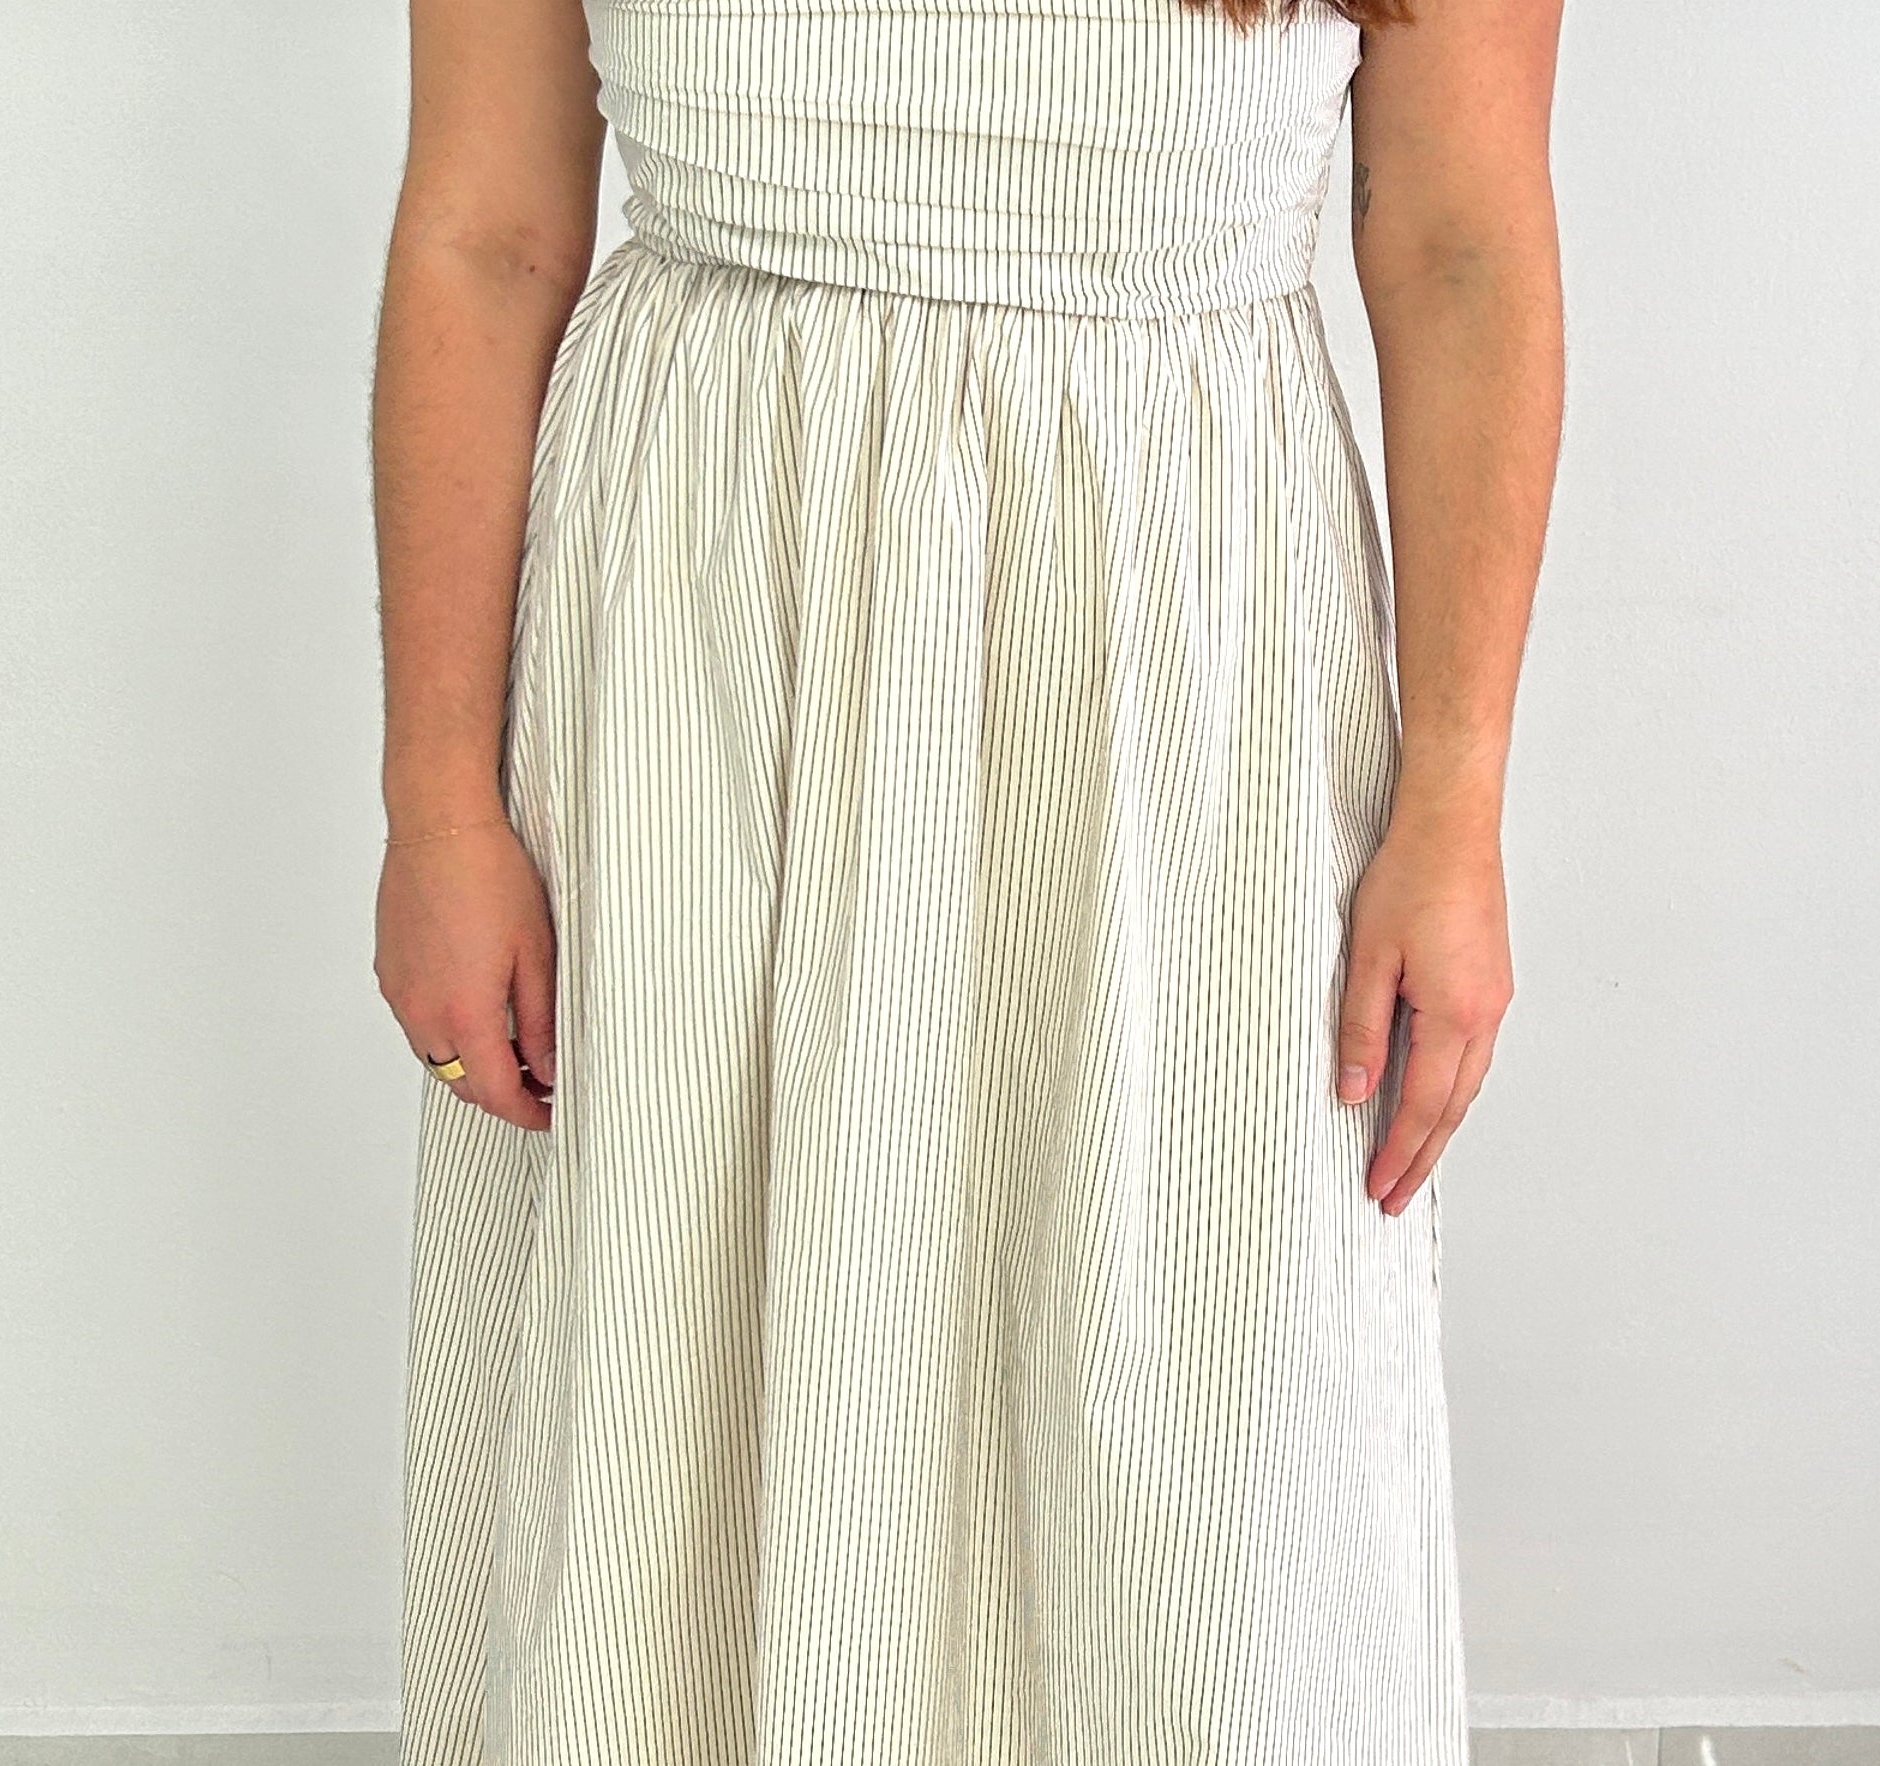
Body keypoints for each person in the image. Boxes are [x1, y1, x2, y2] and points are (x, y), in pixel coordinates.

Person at [367, 0, 1562, 1757]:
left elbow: (1463, 246)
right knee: (682, 1416)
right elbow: (487, 230)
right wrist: (437, 804)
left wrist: (1456, 806)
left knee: (1207, 1469)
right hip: (702, 668)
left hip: (1184, 691)